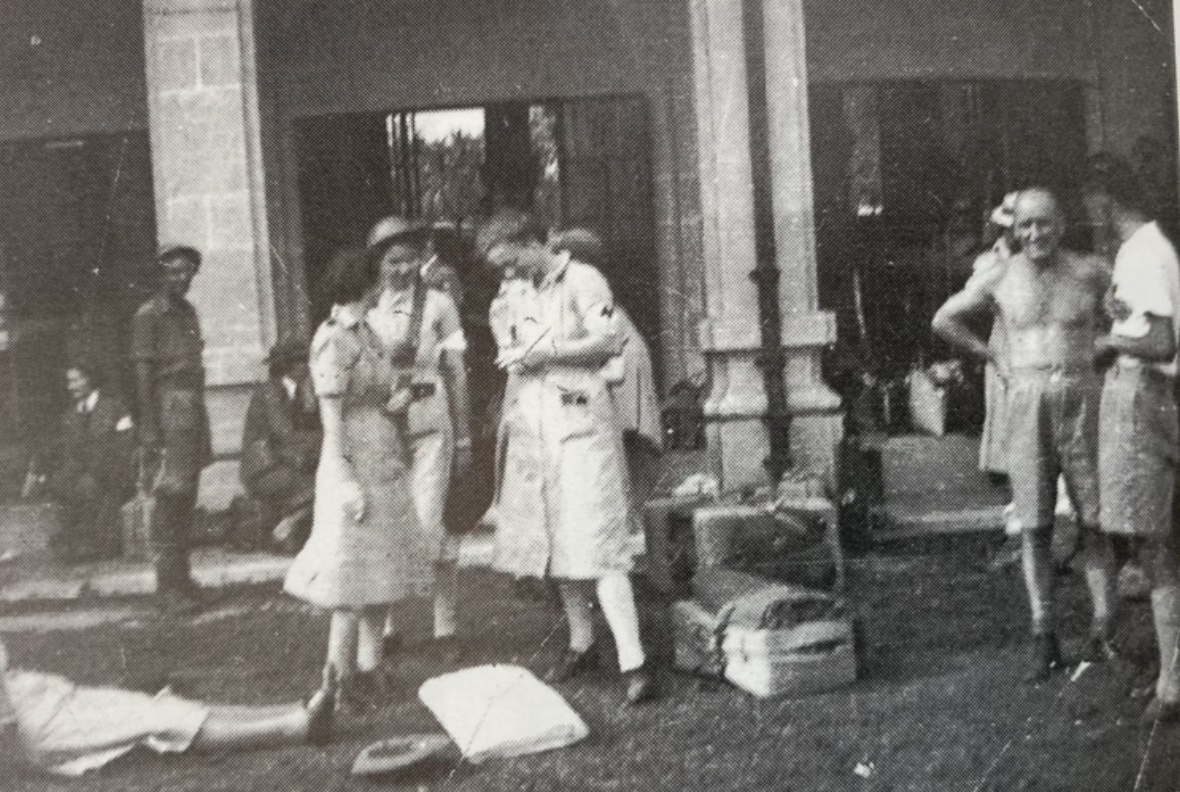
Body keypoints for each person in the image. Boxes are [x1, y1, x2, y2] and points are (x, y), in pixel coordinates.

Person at [932, 188, 1116, 681]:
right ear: (1014, 229)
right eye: (1026, 225)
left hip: (1081, 396)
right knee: (1034, 523)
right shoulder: (999, 273)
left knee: (1094, 519)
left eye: (1045, 223)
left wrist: (1097, 357)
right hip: (1027, 398)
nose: (1036, 234)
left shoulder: (1090, 272)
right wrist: (992, 355)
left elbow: (1129, 319)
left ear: (1061, 224)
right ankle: (1044, 632)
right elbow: (945, 319)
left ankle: (1104, 628)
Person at [475, 209, 656, 705]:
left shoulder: (584, 279)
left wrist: (546, 352)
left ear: (534, 242)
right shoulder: (519, 292)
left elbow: (607, 340)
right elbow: (512, 344)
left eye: (513, 262)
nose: (509, 275)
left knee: (598, 538)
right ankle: (583, 643)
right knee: (552, 540)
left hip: (581, 424)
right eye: (501, 269)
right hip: (535, 424)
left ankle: (634, 661)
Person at [283, 225, 425, 712]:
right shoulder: (332, 341)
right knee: (348, 579)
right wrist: (343, 478)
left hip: (382, 450)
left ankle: (371, 668)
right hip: (351, 459)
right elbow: (331, 418)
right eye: (375, 279)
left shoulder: (369, 333)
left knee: (380, 570)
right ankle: (336, 680)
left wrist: (398, 399)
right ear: (358, 285)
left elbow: (380, 394)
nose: (383, 285)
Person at [1084, 154, 1180, 722]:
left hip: (1147, 395)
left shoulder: (1141, 250)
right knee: (1157, 546)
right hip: (1148, 396)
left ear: (1105, 198)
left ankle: (1173, 687)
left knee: (1157, 549)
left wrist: (1111, 342)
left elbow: (1165, 343)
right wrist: (1122, 319)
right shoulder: (1151, 248)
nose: (1088, 216)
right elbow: (1151, 320)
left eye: (1090, 204)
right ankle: (1171, 675)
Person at [364, 216, 474, 659]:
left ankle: (444, 627)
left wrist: (464, 437)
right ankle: (389, 626)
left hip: (431, 419)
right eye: (392, 261)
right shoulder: (367, 306)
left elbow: (457, 371)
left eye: (409, 260)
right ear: (378, 263)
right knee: (389, 521)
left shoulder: (439, 303)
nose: (401, 270)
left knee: (433, 525)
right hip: (386, 424)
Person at [0, 639, 333, 778]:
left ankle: (293, 710)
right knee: (154, 721)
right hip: (31, 725)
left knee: (157, 706)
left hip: (38, 695)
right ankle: (295, 727)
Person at [549, 228, 662, 521]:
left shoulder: (587, 286)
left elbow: (606, 346)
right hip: (615, 363)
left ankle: (637, 514)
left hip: (620, 362)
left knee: (630, 438)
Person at [131, 245, 212, 614]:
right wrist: (150, 429)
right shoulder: (148, 316)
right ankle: (168, 586)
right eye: (173, 272)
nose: (181, 278)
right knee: (169, 496)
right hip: (168, 406)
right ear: (160, 274)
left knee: (186, 495)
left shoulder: (188, 311)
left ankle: (182, 577)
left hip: (192, 404)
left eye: (187, 272)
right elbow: (143, 376)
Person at [42, 364, 135, 562]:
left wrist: (96, 473)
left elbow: (124, 448)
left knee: (87, 487)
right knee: (62, 484)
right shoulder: (69, 416)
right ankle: (75, 543)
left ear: (90, 379)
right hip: (83, 476)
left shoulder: (114, 408)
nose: (71, 386)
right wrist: (65, 476)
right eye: (69, 382)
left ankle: (98, 543)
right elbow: (70, 454)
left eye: (75, 380)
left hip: (113, 475)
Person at [239, 337, 321, 553]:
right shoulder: (270, 393)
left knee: (325, 479)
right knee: (319, 483)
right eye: (302, 362)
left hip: (282, 462)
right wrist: (320, 441)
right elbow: (285, 434)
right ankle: (287, 528)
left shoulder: (298, 392)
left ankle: (291, 524)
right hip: (264, 469)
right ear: (288, 366)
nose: (308, 367)